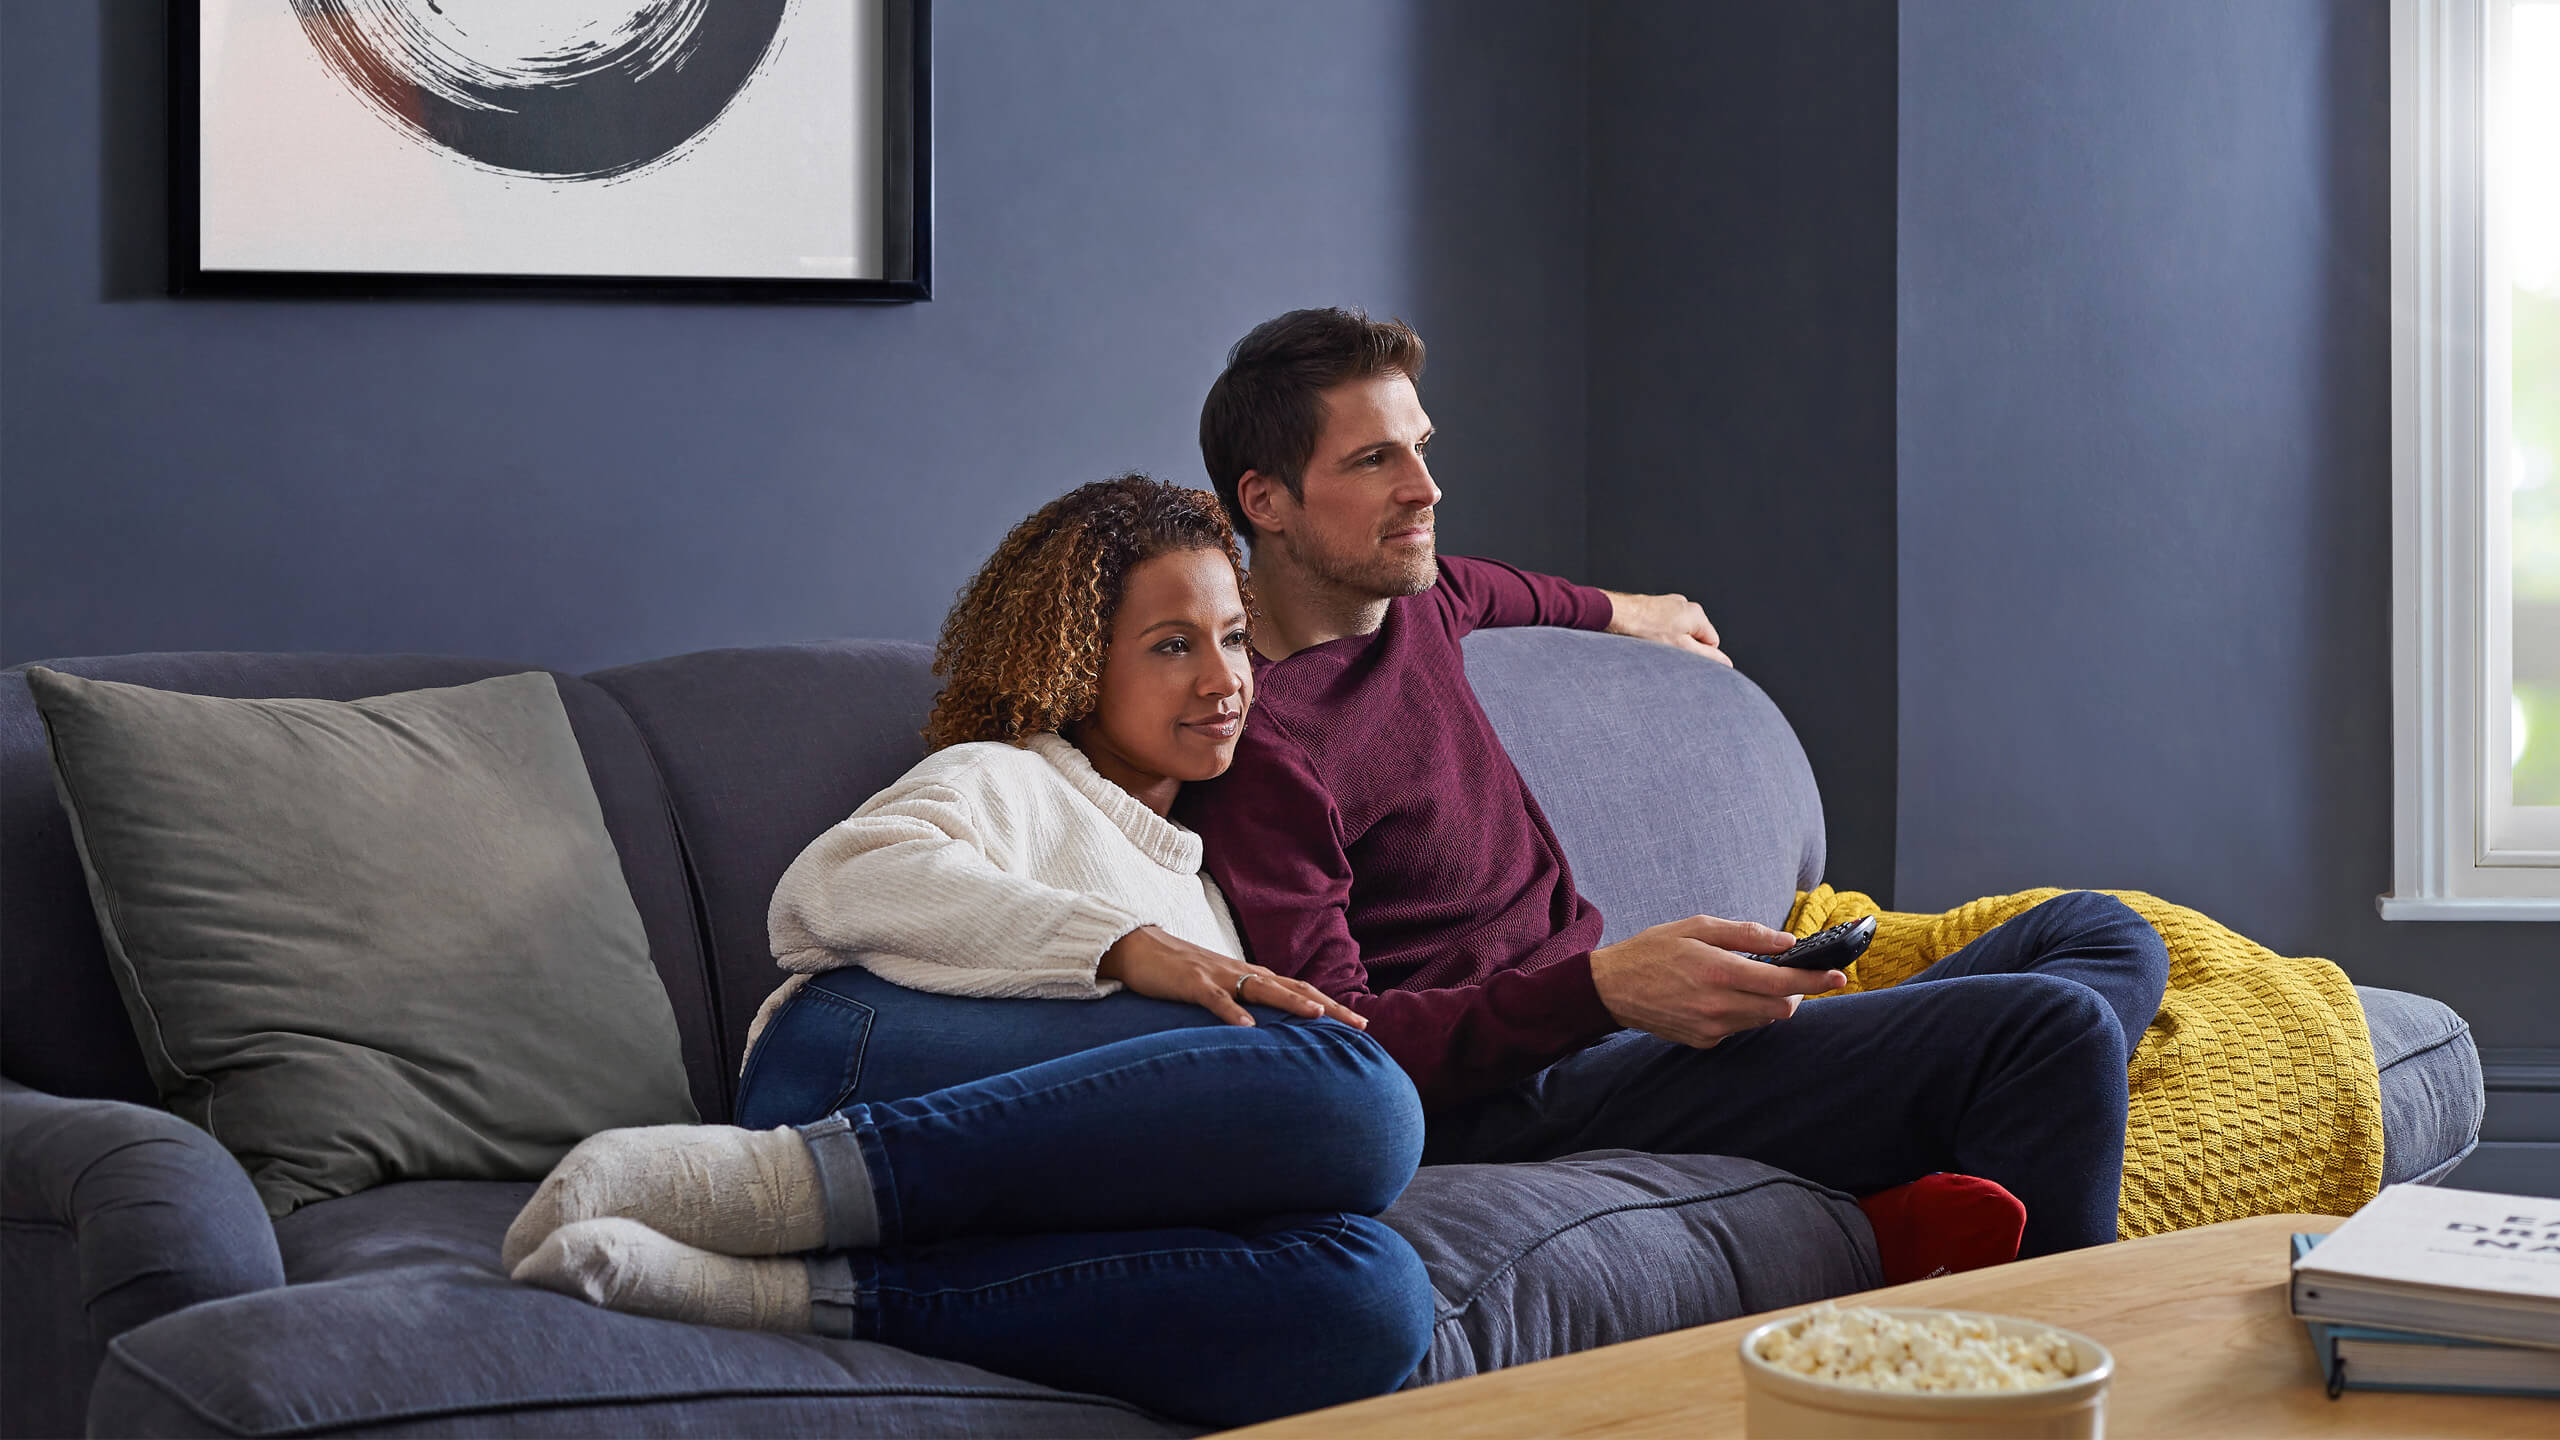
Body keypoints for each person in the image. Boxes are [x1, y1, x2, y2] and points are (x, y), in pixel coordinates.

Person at [1179, 308, 2171, 1275]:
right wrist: (1603, 987)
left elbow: (1527, 595)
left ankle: (1917, 1159)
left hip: (1625, 1041)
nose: (1425, 488)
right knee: (2056, 1029)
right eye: (1373, 462)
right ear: (1264, 502)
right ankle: (2037, 1382)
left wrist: (1643, 612)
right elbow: (1342, 1046)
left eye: (1422, 448)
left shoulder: (1420, 601)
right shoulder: (1260, 746)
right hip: (1526, 1096)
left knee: (2101, 932)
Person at [502, 477, 1433, 1429]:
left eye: (1234, 636)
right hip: (849, 1058)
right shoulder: (1009, 775)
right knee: (1363, 1098)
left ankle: (793, 1295)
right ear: (1075, 663)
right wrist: (1121, 945)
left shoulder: (1204, 892)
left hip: (999, 1181)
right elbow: (830, 887)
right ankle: (759, 1185)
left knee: (1371, 1295)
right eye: (1171, 645)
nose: (1223, 678)